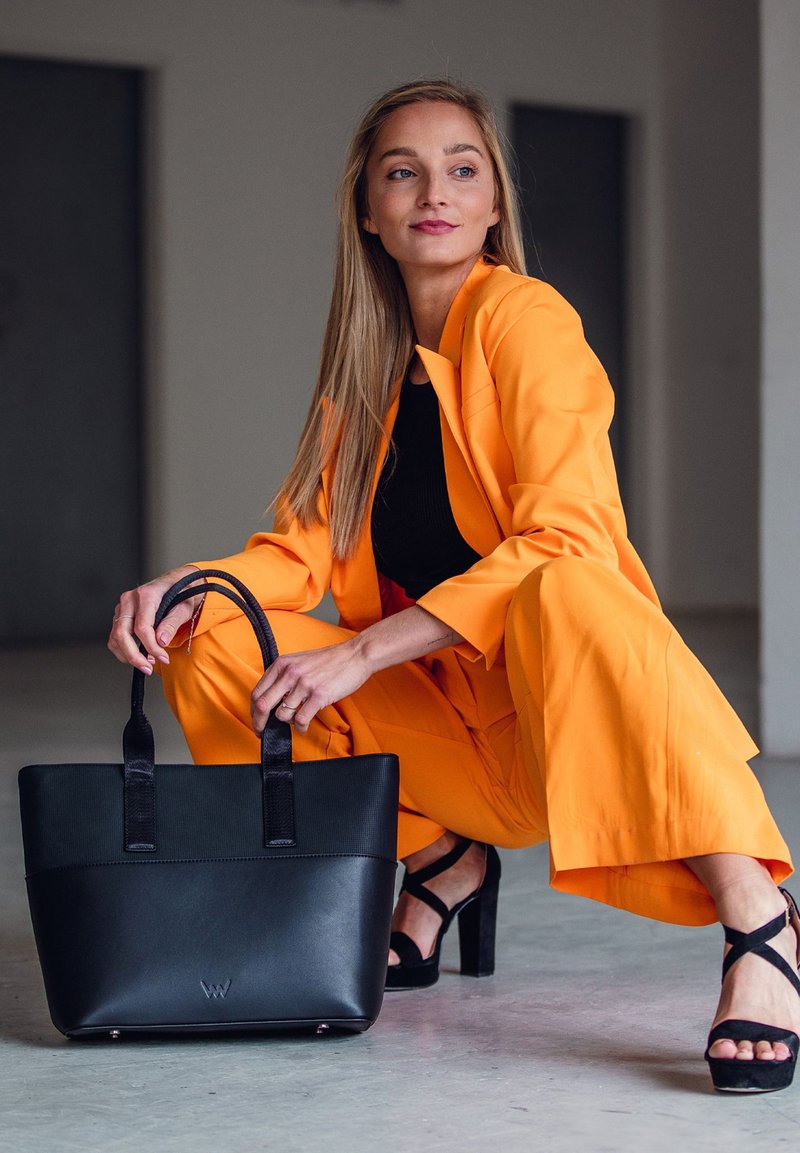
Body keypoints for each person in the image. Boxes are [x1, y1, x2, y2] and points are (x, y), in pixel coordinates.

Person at [109, 79, 799, 1093]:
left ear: (491, 207)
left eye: (460, 169)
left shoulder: (525, 320)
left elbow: (564, 531)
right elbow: (300, 551)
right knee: (213, 629)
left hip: (554, 720)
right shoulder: (363, 370)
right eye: (402, 171)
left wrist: (362, 649)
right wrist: (191, 582)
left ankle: (762, 923)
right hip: (439, 746)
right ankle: (440, 861)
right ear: (367, 209)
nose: (433, 190)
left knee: (568, 585)